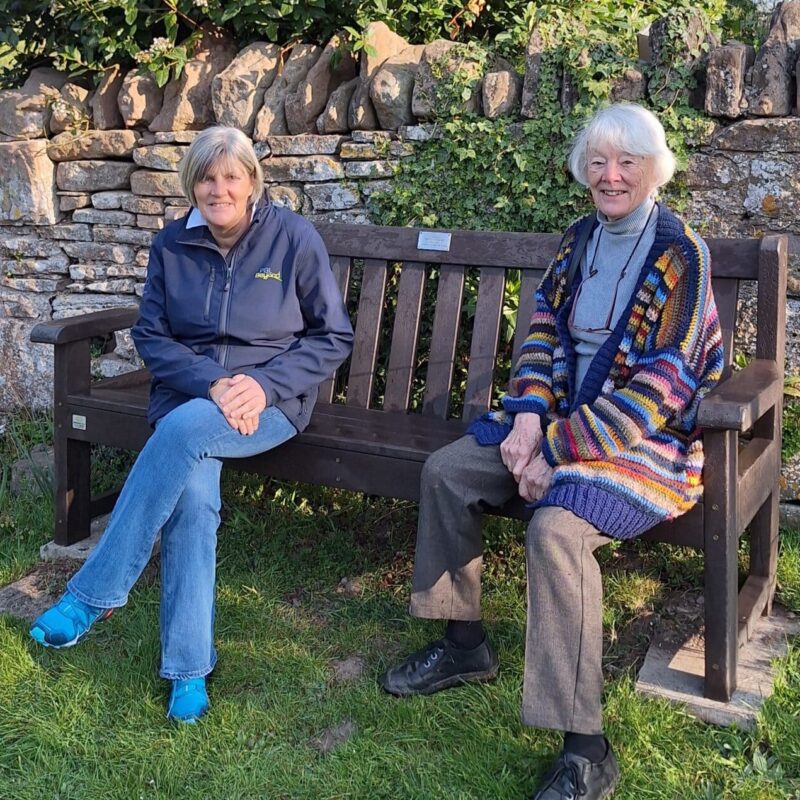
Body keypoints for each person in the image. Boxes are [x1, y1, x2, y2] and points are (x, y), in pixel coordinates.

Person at [379, 103, 723, 800]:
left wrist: (556, 449)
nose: (611, 174)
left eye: (627, 161)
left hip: (640, 443)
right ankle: (464, 644)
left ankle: (586, 749)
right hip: (557, 427)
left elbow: (661, 389)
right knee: (446, 472)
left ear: (655, 169)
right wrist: (528, 422)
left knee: (556, 530)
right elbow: (540, 335)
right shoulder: (576, 240)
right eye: (597, 161)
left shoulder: (680, 252)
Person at [30, 126, 354, 724]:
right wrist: (211, 383)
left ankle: (89, 596)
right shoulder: (172, 245)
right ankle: (188, 672)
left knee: (179, 435)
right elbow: (152, 337)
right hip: (190, 396)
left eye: (231, 176)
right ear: (192, 185)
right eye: (207, 177)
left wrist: (263, 384)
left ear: (253, 182)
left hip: (271, 405)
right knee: (194, 497)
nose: (219, 188)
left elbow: (332, 337)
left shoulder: (292, 239)